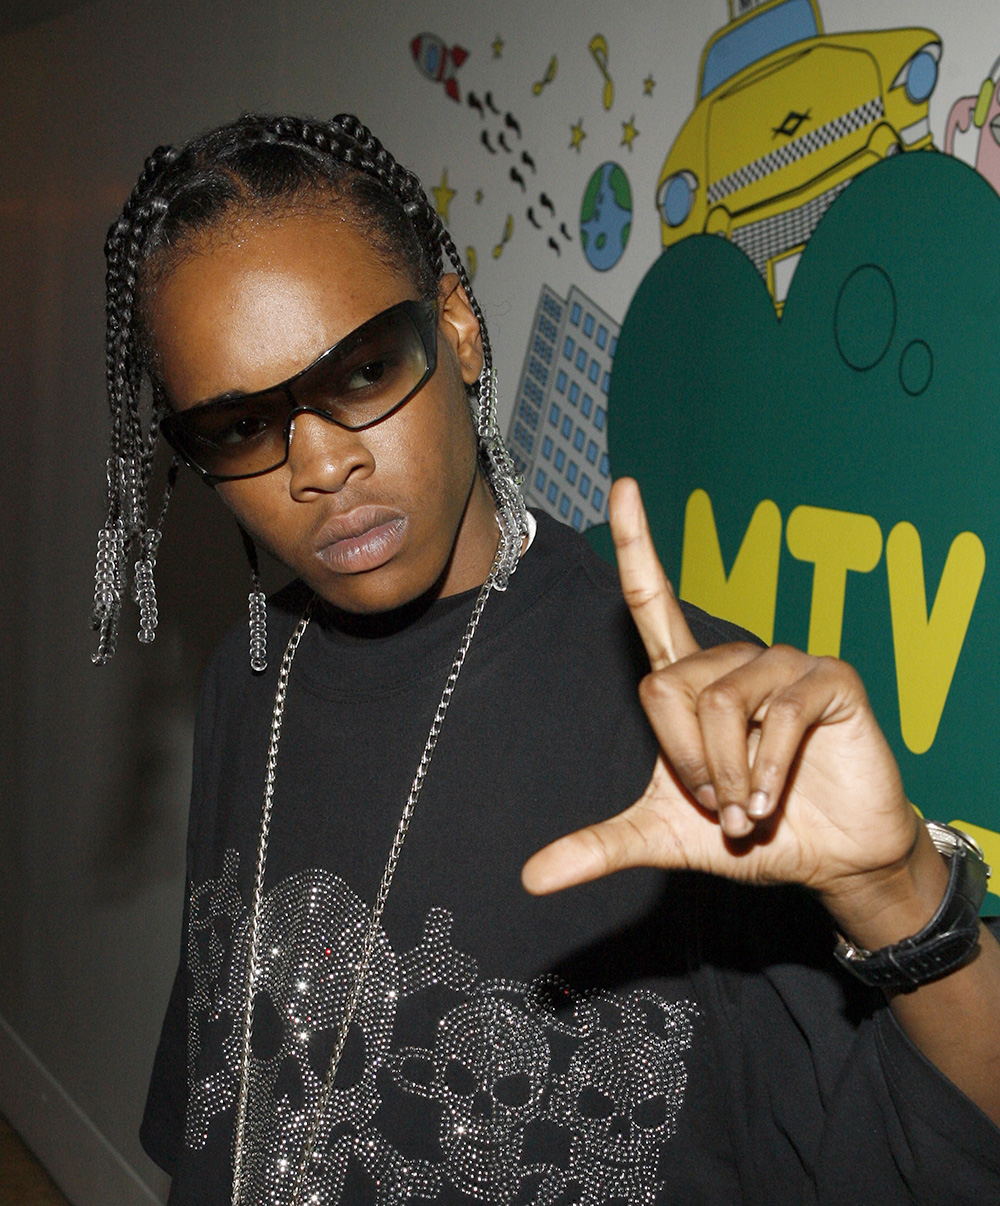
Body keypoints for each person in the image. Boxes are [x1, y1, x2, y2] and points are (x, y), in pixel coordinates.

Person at [91, 113, 1000, 1205]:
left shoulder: (691, 721)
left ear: (459, 328)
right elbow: (223, 1113)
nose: (320, 464)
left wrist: (894, 891)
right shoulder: (249, 679)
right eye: (239, 427)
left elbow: (950, 1148)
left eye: (364, 366)